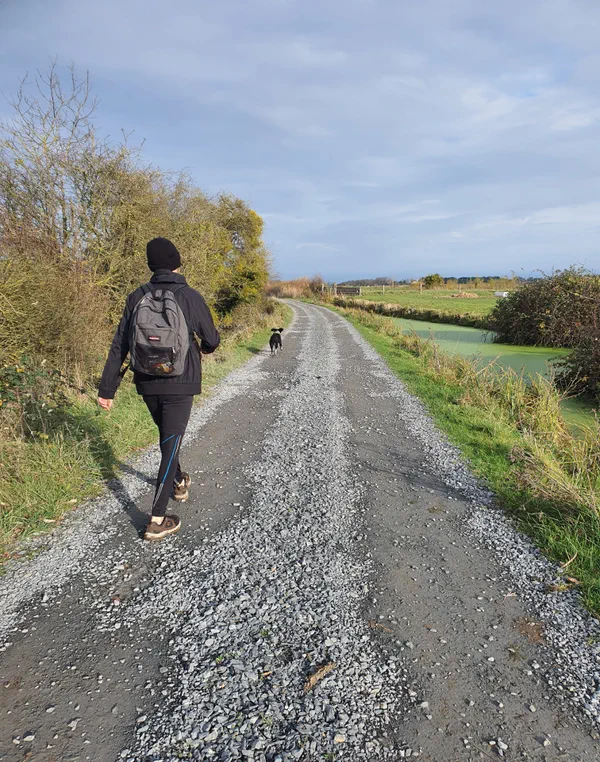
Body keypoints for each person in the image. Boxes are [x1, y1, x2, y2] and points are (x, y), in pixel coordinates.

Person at [97, 237, 220, 541]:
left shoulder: (136, 296)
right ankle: (157, 519)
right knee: (170, 444)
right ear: (177, 263)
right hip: (181, 381)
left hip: (146, 381)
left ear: (151, 266)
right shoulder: (190, 296)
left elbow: (119, 345)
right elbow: (212, 339)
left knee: (168, 439)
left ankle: (178, 480)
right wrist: (204, 348)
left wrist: (107, 389)